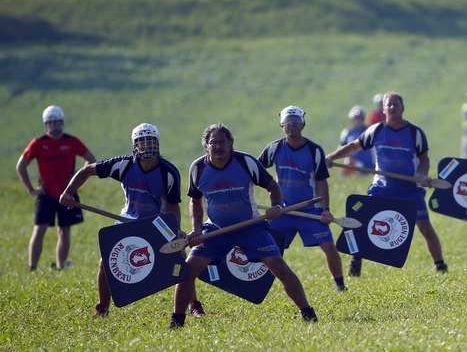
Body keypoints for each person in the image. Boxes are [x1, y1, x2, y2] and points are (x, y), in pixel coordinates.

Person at [170, 123, 317, 329]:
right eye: (213, 143)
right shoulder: (198, 168)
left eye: (222, 142)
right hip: (216, 229)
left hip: (251, 227)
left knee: (278, 266)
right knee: (188, 269)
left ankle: (308, 313)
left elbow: (272, 186)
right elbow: (195, 201)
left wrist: (276, 206)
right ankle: (177, 320)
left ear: (231, 144)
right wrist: (196, 228)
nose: (218, 147)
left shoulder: (246, 162)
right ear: (206, 146)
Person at [60, 123, 203, 318]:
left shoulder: (169, 173)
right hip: (127, 220)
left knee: (180, 258)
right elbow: (86, 171)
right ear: (135, 145)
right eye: (142, 142)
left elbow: (172, 207)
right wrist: (69, 192)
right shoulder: (123, 165)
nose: (147, 146)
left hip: (157, 223)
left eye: (151, 141)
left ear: (157, 144)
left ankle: (194, 304)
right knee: (105, 262)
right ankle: (102, 307)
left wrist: (175, 229)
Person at [326, 92, 447, 276]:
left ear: (402, 108)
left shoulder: (415, 133)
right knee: (363, 222)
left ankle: (440, 265)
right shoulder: (376, 130)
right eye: (388, 105)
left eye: (395, 104)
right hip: (382, 188)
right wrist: (331, 157)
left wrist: (422, 175)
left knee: (424, 226)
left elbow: (424, 160)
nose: (392, 107)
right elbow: (353, 146)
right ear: (383, 109)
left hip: (409, 189)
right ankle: (356, 261)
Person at [259, 106, 346, 291]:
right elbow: (255, 173)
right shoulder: (274, 148)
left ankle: (340, 285)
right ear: (282, 125)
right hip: (282, 210)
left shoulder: (314, 150)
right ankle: (259, 286)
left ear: (303, 124)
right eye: (287, 123)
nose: (291, 126)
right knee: (266, 249)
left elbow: (322, 181)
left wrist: (325, 209)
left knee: (329, 247)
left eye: (295, 122)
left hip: (310, 209)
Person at [16, 105, 95, 271]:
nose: (54, 126)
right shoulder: (38, 143)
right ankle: (32, 268)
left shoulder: (72, 141)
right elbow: (21, 166)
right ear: (46, 125)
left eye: (57, 122)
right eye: (50, 123)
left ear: (62, 123)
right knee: (39, 229)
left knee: (64, 230)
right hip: (46, 194)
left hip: (67, 193)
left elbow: (91, 160)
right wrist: (31, 189)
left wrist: (77, 181)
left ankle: (60, 266)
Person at [338, 105, 373, 174]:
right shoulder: (347, 132)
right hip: (352, 161)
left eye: (359, 118)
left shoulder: (369, 130)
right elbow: (342, 147)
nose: (357, 120)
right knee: (348, 163)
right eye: (355, 118)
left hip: (368, 163)